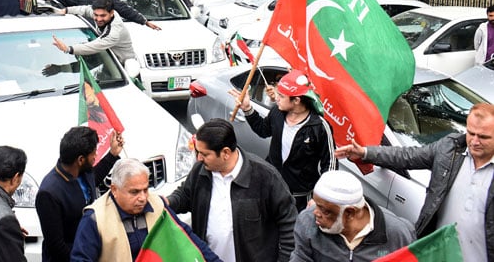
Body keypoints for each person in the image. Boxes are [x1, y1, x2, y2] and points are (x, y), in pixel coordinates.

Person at [334, 102, 494, 262]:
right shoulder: (450, 148)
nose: (474, 141)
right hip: (438, 254)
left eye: (483, 137)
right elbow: (407, 156)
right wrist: (365, 152)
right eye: (470, 133)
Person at [166, 118, 297, 262]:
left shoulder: (265, 177)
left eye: (204, 154)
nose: (199, 158)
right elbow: (185, 196)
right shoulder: (200, 172)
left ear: (226, 153)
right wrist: (166, 202)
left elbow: (289, 222)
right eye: (198, 152)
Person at [70, 158, 221, 261]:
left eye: (145, 189)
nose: (143, 198)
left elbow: (187, 238)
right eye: (134, 192)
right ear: (114, 189)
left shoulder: (158, 205)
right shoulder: (95, 219)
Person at [230, 69, 335, 211]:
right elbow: (263, 130)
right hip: (271, 187)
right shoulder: (277, 113)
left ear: (296, 100)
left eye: (281, 95)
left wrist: (320, 198)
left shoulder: (320, 127)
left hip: (300, 199)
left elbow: (330, 165)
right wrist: (247, 108)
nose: (276, 98)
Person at [36, 126, 124, 262]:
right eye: (94, 153)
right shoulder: (48, 193)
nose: (95, 156)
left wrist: (112, 154)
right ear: (81, 159)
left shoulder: (82, 171)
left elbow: (93, 178)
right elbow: (56, 247)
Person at [290, 170, 415, 261]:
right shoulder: (307, 221)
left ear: (350, 213)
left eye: (325, 210)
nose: (315, 213)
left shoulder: (399, 234)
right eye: (316, 204)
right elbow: (300, 257)